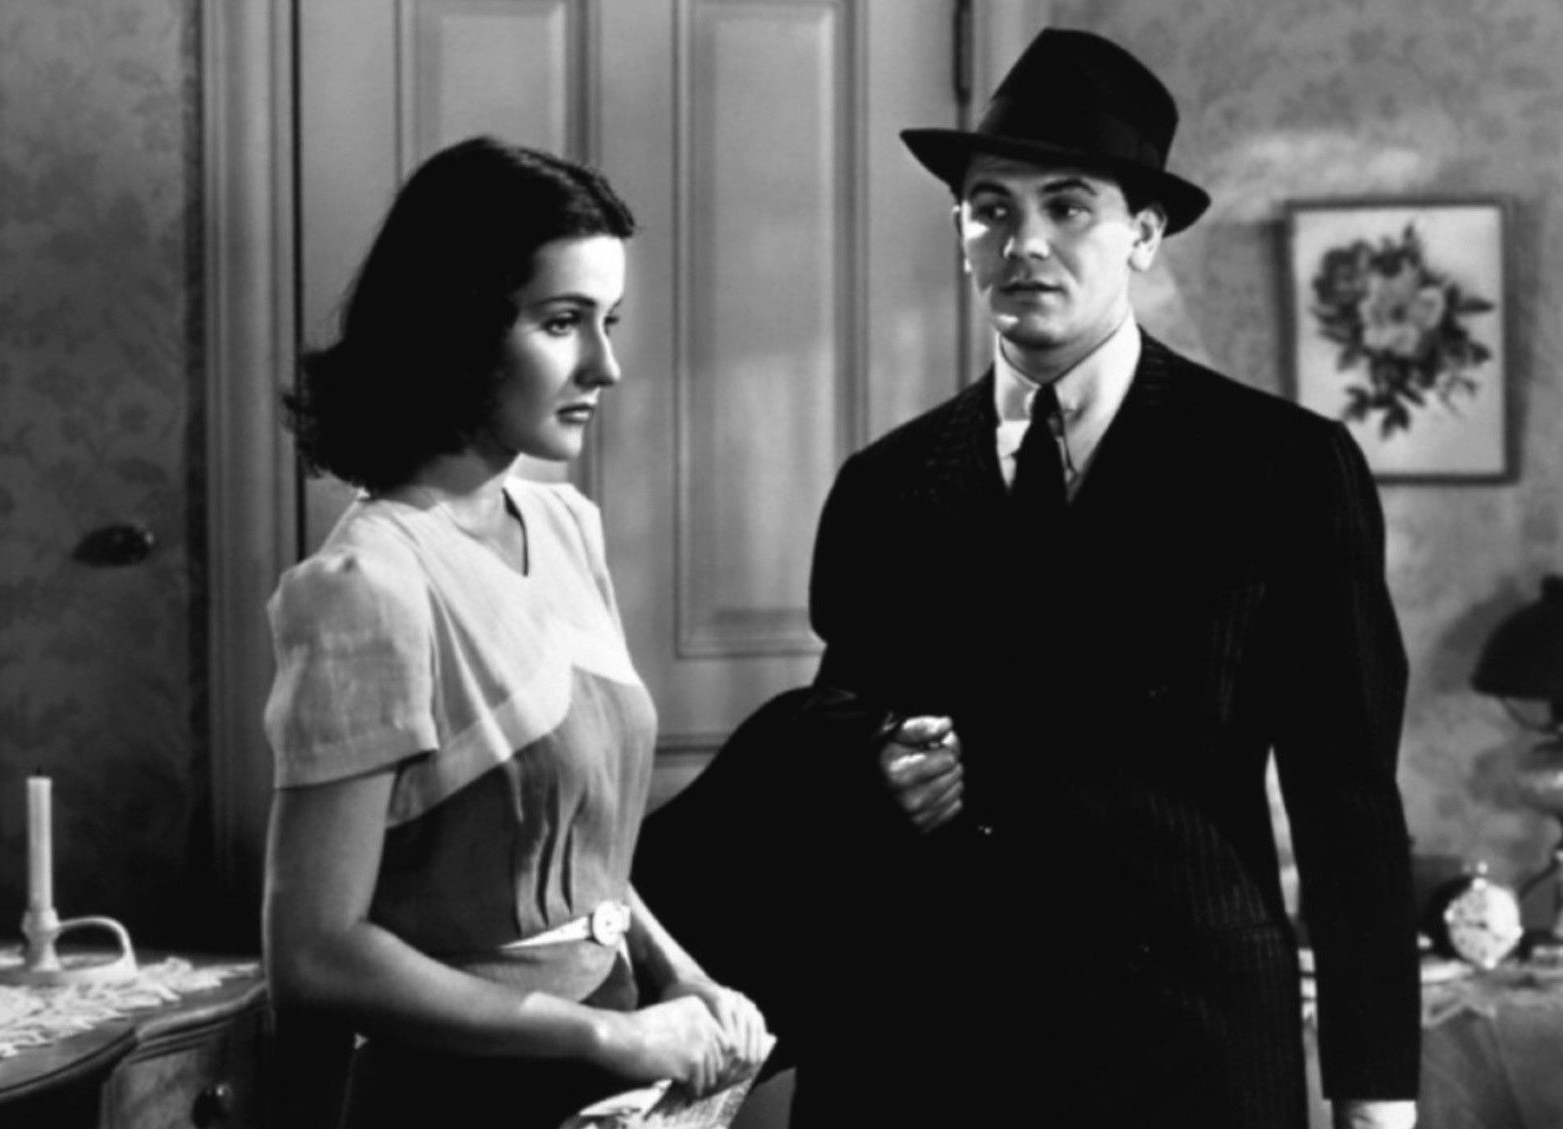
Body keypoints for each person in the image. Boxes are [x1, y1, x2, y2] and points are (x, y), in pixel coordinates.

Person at [795, 29, 1418, 1129]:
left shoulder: (1280, 469)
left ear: (1143, 233)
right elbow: (837, 737)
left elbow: (1349, 803)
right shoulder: (884, 484)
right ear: (960, 232)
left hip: (1187, 1048)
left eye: (1068, 206)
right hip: (930, 1043)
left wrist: (1376, 1101)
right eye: (990, 208)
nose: (1023, 242)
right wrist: (874, 765)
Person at [262, 136, 769, 1129]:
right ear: (458, 327)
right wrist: (603, 1036)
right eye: (562, 321)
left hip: (608, 1076)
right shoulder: (369, 585)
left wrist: (682, 979)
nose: (605, 366)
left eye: (607, 321)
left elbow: (585, 865)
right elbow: (313, 954)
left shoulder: (566, 526)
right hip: (461, 1096)